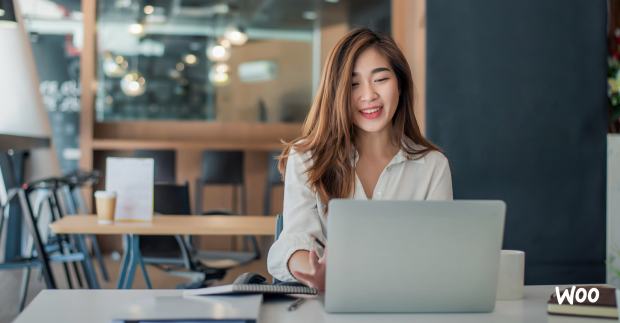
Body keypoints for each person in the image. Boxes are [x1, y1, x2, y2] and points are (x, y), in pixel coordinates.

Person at [267, 28, 453, 291]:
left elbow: (441, 254)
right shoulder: (308, 158)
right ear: (337, 92)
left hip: (407, 303)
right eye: (353, 84)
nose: (368, 95)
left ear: (400, 84)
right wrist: (318, 273)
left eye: (380, 79)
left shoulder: (432, 166)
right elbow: (296, 241)